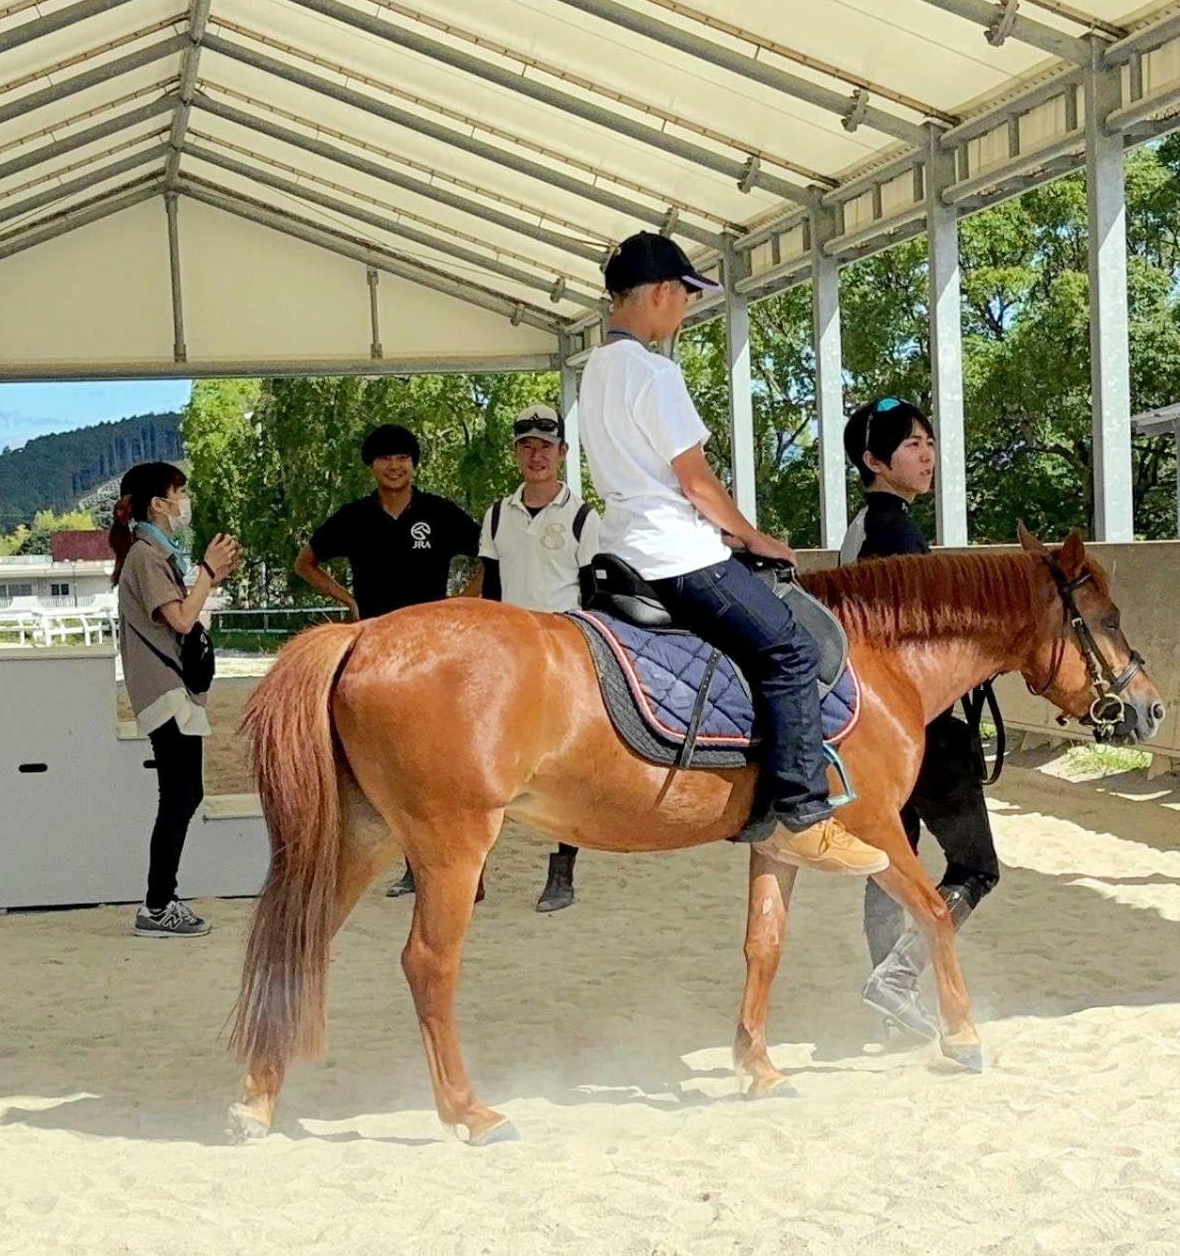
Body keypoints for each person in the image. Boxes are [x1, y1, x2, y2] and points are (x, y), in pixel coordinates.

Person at [579, 231, 887, 878]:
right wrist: (751, 536)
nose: (684, 312)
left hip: (623, 553)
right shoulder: (654, 373)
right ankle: (803, 817)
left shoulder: (596, 371)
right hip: (675, 555)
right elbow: (693, 480)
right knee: (788, 648)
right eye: (684, 298)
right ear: (662, 293)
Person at [839, 397, 1001, 1039]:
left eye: (928, 441)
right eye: (911, 445)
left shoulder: (862, 527)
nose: (928, 454)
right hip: (917, 723)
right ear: (875, 461)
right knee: (976, 866)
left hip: (873, 723)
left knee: (891, 855)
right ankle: (898, 977)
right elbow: (913, 639)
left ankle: (891, 1001)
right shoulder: (897, 532)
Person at [295, 423, 481, 898]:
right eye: (384, 458)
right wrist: (348, 603)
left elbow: (489, 556)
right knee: (396, 762)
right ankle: (415, 866)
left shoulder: (438, 513)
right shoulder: (355, 517)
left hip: (434, 655)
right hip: (373, 657)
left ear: (414, 464)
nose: (394, 466)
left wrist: (459, 604)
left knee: (448, 759)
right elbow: (306, 562)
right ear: (371, 466)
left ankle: (468, 870)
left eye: (402, 457)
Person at [473, 402, 600, 911]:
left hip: (565, 647)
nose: (535, 455)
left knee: (568, 764)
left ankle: (562, 872)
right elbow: (492, 586)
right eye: (526, 446)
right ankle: (475, 866)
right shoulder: (498, 513)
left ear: (563, 453)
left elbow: (593, 590)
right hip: (509, 651)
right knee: (486, 757)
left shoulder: (584, 517)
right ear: (516, 453)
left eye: (545, 447)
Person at [111, 460, 243, 938]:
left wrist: (210, 574)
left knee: (185, 794)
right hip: (166, 691)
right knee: (180, 796)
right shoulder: (146, 555)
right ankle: (158, 904)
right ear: (158, 504)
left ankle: (161, 900)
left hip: (171, 691)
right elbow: (183, 620)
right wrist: (209, 571)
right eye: (179, 492)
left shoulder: (153, 554)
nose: (184, 501)